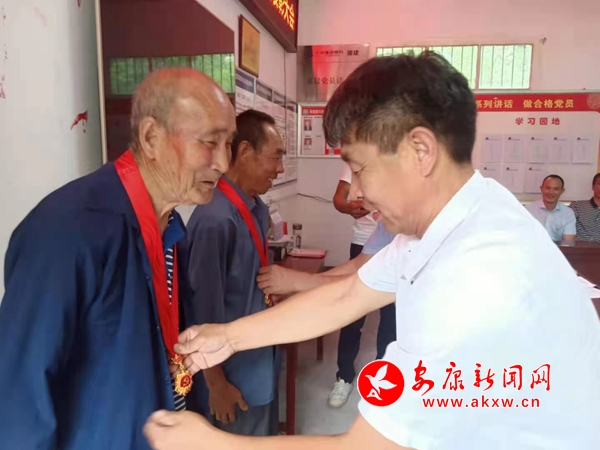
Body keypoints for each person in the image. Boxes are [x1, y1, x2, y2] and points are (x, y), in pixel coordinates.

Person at [144, 53, 600, 449]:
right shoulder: (458, 216)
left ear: (420, 150)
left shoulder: (471, 283)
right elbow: (347, 295)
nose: (356, 191)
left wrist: (212, 443)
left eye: (359, 168)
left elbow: (365, 446)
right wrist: (229, 337)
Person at [0, 68, 235, 449]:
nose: (223, 162)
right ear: (151, 137)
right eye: (209, 142)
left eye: (229, 143)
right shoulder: (65, 231)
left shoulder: (171, 228)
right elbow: (18, 400)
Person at [179, 109, 285, 436]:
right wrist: (216, 385)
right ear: (245, 152)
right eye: (276, 156)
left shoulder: (255, 209)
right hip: (234, 379)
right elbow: (201, 312)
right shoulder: (215, 219)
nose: (280, 169)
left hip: (259, 361)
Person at [257, 220, 396, 408]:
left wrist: (299, 282)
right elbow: (360, 265)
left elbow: (375, 284)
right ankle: (349, 378)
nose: (373, 216)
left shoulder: (429, 234)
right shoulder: (388, 224)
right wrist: (298, 288)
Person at [524, 174, 575, 242]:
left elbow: (568, 242)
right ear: (541, 189)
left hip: (557, 248)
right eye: (548, 188)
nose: (551, 192)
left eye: (556, 189)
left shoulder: (568, 213)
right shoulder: (527, 210)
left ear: (562, 191)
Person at [569, 173, 600, 242]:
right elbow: (566, 227)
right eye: (599, 184)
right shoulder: (577, 206)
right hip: (580, 247)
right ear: (593, 186)